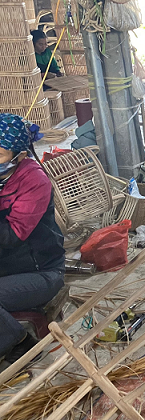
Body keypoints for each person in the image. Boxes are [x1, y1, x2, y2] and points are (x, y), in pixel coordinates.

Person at [0, 114, 65, 364]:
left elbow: (13, 235)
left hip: (40, 272)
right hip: (8, 266)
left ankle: (21, 343)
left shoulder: (34, 180)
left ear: (20, 155)